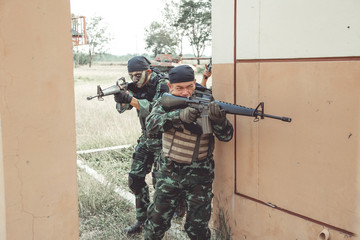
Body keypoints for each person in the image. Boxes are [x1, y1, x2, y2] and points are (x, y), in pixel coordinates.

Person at [143, 65, 234, 240]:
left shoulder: (207, 100)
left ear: (195, 82)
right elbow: (151, 124)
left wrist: (219, 120)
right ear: (170, 87)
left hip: (200, 175)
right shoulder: (166, 101)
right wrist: (178, 116)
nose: (186, 92)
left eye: (190, 86)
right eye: (180, 88)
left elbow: (226, 136)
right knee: (156, 223)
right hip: (168, 173)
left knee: (197, 229)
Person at [113, 56, 169, 234]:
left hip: (164, 140)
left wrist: (131, 100)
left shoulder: (162, 85)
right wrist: (120, 96)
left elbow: (159, 110)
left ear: (149, 72)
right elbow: (122, 109)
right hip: (146, 138)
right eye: (131, 76)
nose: (134, 79)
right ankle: (142, 221)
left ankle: (158, 224)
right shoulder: (134, 86)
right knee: (135, 179)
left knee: (160, 185)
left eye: (138, 75)